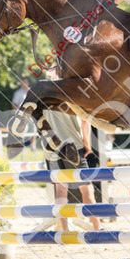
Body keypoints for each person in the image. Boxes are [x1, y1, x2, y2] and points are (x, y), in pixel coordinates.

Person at [44, 66, 100, 231]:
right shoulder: (73, 92)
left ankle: (65, 230)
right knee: (87, 190)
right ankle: (97, 228)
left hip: (52, 150)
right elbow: (85, 121)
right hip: (73, 147)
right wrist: (87, 144)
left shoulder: (43, 94)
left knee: (60, 191)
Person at [11, 78, 36, 152]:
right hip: (22, 116)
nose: (25, 84)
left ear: (28, 83)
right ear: (21, 83)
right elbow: (14, 105)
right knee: (22, 132)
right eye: (23, 82)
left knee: (33, 131)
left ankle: (33, 148)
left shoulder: (31, 91)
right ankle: (22, 148)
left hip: (31, 115)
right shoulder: (17, 93)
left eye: (26, 82)